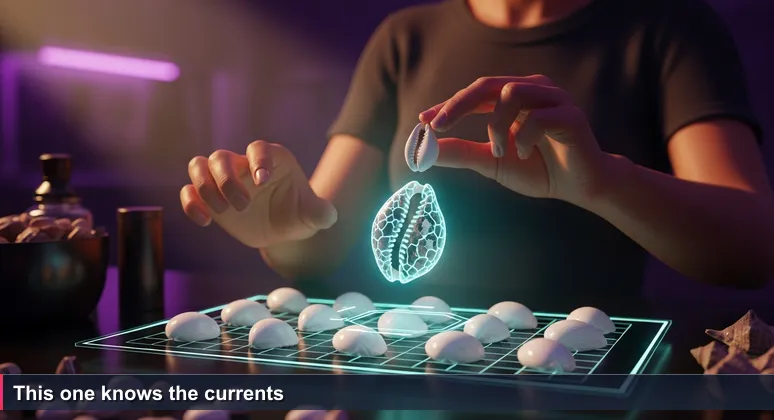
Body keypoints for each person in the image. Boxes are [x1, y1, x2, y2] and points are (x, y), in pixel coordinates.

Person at [179, 0, 773, 310]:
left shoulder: (670, 27)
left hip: (594, 370)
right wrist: (280, 226)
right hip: (418, 365)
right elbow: (317, 235)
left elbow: (752, 249)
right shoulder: (404, 38)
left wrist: (604, 183)